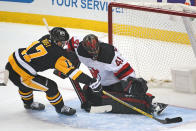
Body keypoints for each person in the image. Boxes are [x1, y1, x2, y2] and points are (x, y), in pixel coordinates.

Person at [54, 34, 168, 115]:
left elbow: (129, 75)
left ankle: (148, 105)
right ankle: (105, 100)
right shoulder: (77, 44)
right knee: (88, 94)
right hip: (99, 82)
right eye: (91, 52)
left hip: (117, 82)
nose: (94, 54)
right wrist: (63, 63)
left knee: (112, 98)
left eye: (96, 51)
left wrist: (134, 87)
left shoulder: (111, 56)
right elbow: (69, 46)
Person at [5, 28, 102, 116]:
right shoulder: (57, 57)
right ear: (56, 41)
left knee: (27, 86)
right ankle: (61, 108)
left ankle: (28, 104)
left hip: (12, 63)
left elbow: (50, 49)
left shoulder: (46, 38)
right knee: (51, 87)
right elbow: (73, 73)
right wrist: (90, 81)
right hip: (21, 74)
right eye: (62, 42)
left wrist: (63, 53)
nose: (64, 44)